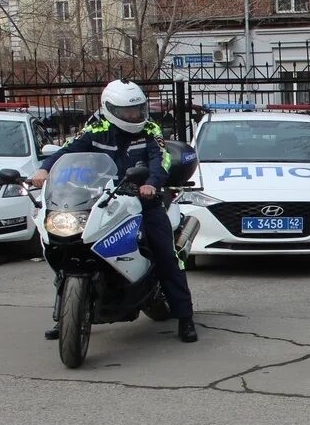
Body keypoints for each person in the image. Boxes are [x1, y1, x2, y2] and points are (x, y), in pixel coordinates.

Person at [30, 80, 198, 344]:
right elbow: (67, 151)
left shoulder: (150, 130)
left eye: (137, 110)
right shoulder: (96, 129)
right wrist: (45, 170)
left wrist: (151, 184)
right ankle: (66, 318)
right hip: (100, 198)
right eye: (127, 112)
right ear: (109, 109)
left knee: (166, 254)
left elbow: (161, 160)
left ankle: (185, 317)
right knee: (68, 249)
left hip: (142, 201)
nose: (134, 116)